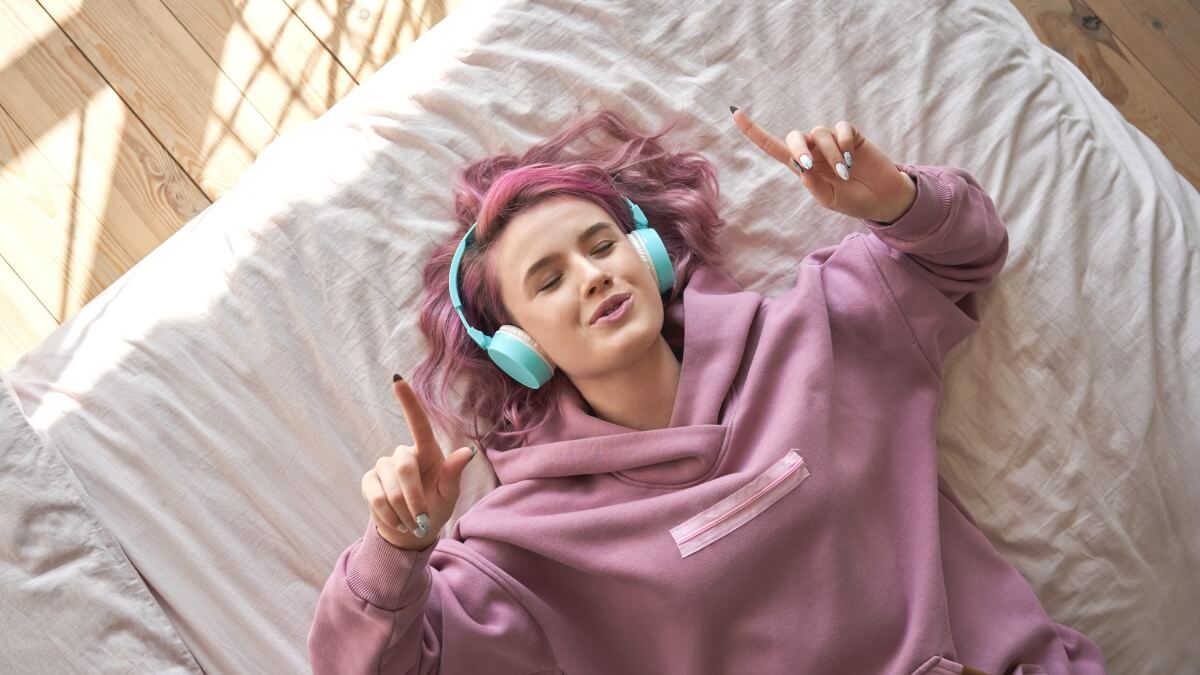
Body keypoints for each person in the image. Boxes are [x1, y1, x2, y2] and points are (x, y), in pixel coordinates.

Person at [308, 107, 1106, 674]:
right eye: (549, 280)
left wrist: (897, 200)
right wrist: (395, 549)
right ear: (518, 348)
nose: (593, 276)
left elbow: (963, 255)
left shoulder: (820, 329)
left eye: (601, 245)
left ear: (649, 255)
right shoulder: (523, 547)